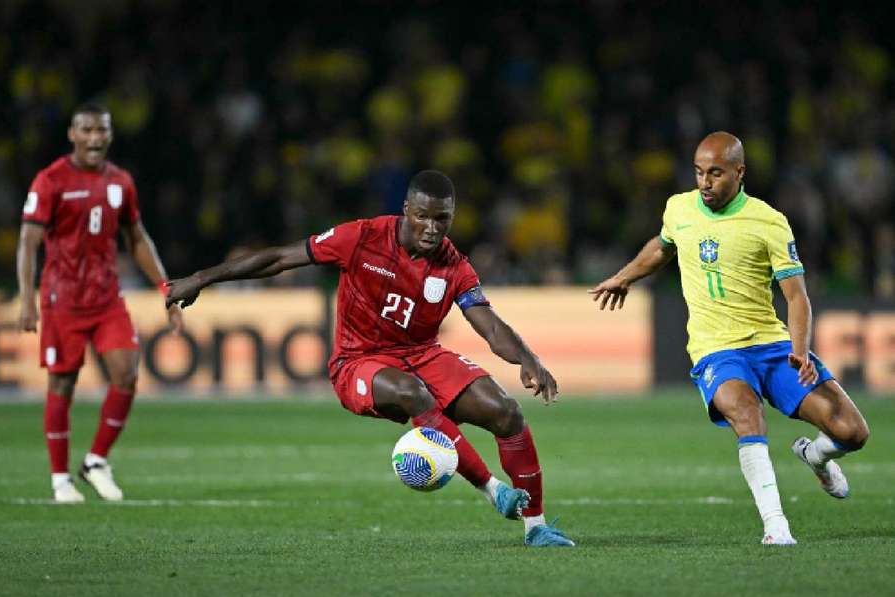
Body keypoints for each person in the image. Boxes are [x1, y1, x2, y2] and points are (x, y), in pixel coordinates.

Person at [167, 170, 574, 547]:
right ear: (407, 211)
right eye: (424, 217)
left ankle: (536, 527)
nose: (432, 228)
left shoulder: (454, 266)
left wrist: (526, 357)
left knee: (506, 413)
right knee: (414, 394)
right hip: (357, 362)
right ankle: (492, 489)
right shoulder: (361, 238)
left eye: (442, 219)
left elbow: (489, 325)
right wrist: (202, 278)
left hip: (422, 355)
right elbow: (279, 258)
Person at [588, 132, 870, 545]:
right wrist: (624, 277)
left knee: (852, 431)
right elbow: (663, 247)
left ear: (740, 172)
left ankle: (816, 455)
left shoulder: (768, 221)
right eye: (700, 172)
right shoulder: (679, 208)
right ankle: (776, 526)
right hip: (717, 349)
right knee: (746, 413)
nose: (705, 182)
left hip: (773, 347)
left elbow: (796, 296)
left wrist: (800, 350)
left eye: (716, 173)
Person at [17, 102, 183, 503]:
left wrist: (167, 289)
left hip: (107, 297)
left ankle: (95, 461)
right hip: (62, 299)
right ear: (72, 135)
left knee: (126, 372)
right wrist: (27, 298)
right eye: (87, 130)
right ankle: (60, 479)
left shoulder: (121, 182)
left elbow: (138, 238)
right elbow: (28, 241)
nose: (95, 138)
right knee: (63, 383)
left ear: (110, 134)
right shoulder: (50, 180)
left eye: (102, 130)